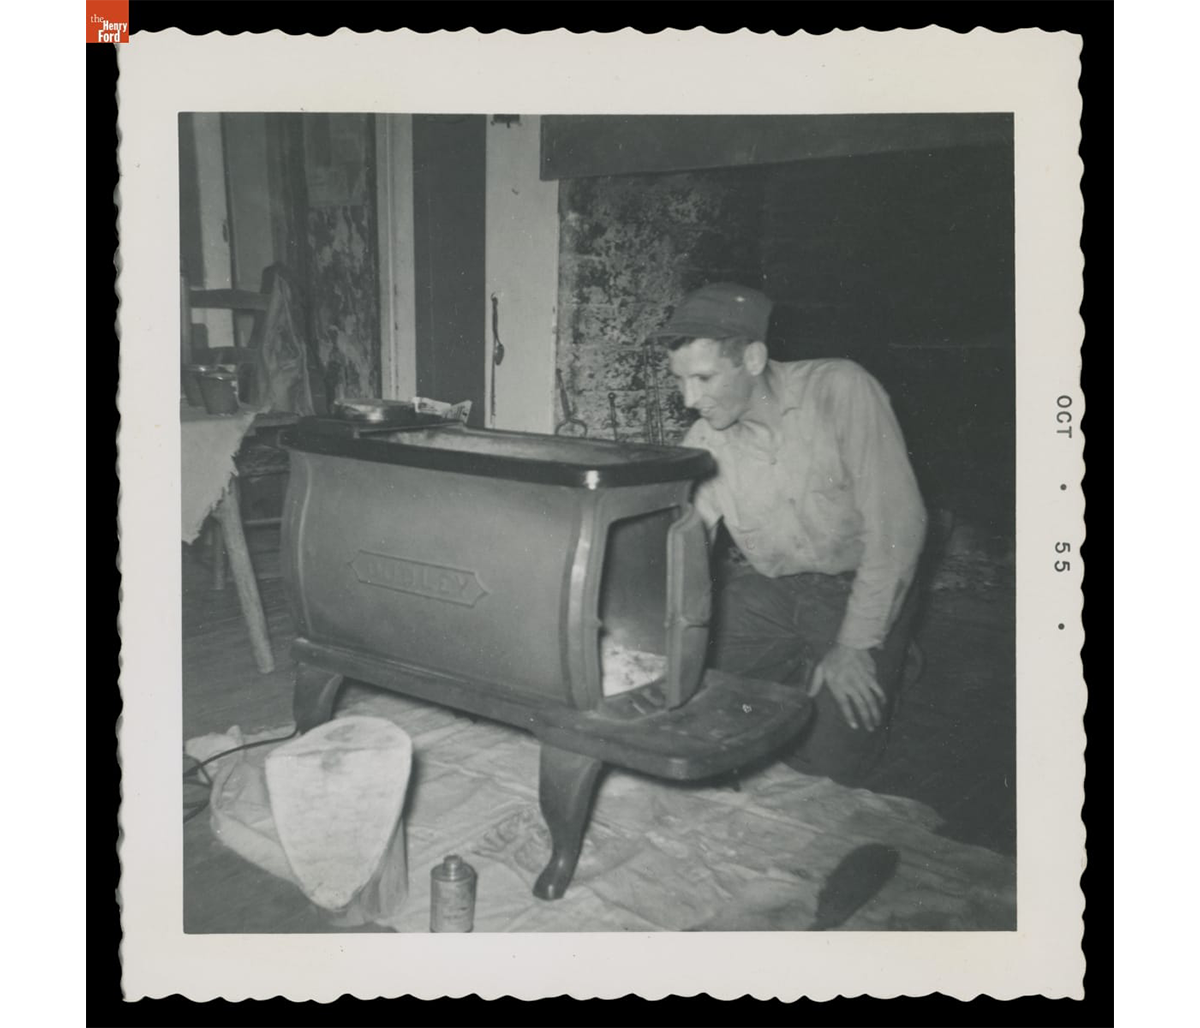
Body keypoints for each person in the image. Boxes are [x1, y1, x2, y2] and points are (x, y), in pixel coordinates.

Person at [652, 282, 927, 786]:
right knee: (675, 688)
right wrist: (649, 628)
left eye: (704, 378)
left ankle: (887, 650)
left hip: (858, 589)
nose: (690, 400)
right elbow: (685, 544)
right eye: (680, 380)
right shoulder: (707, 437)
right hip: (773, 593)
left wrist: (855, 644)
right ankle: (800, 661)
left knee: (828, 770)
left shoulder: (841, 390)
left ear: (753, 359)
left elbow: (898, 527)